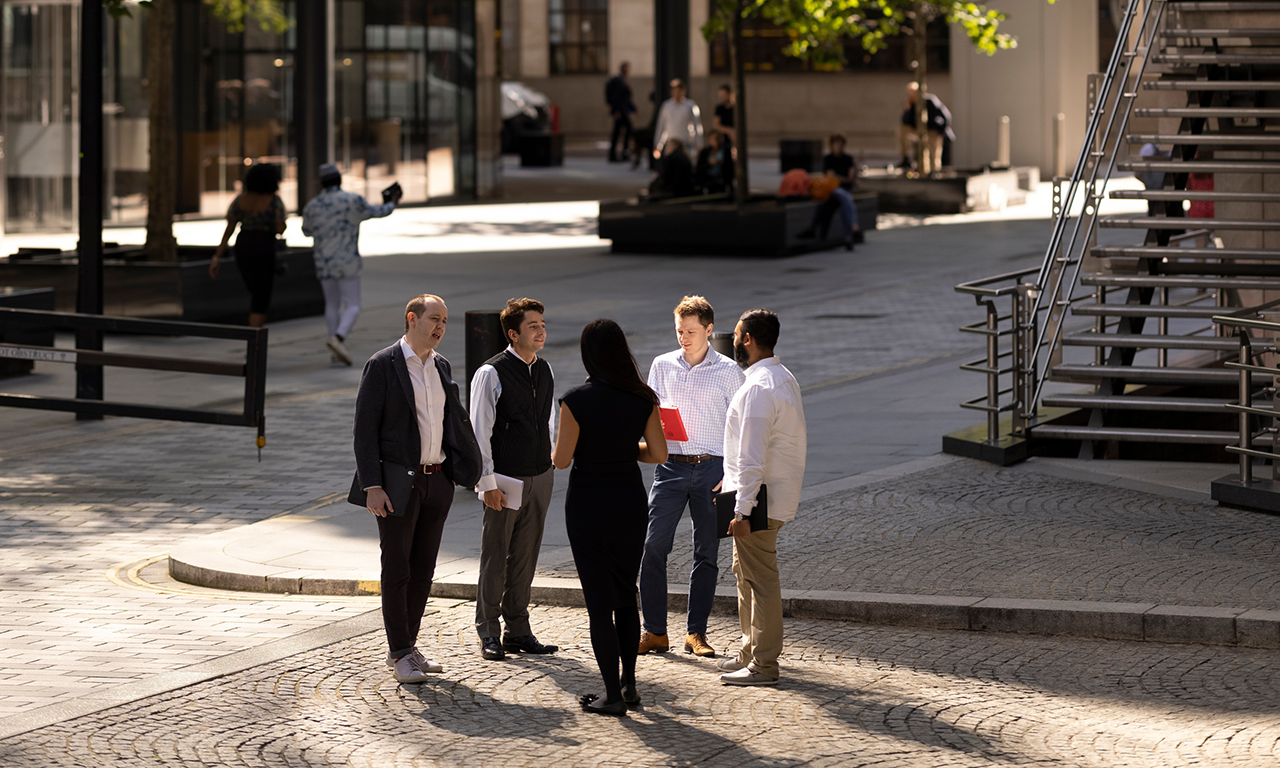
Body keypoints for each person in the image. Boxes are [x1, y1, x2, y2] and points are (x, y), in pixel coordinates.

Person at [352, 294, 482, 684]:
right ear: (412, 318)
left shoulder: (439, 365)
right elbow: (364, 430)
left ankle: (409, 645)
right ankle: (399, 653)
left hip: (436, 480)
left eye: (444, 321)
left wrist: (460, 472)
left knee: (424, 569)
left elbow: (451, 420)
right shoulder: (383, 364)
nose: (440, 327)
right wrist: (372, 486)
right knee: (397, 568)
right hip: (396, 485)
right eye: (434, 319)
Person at [553, 319, 668, 716]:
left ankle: (611, 696)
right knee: (625, 594)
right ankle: (630, 684)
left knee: (598, 605)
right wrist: (623, 449)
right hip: (628, 500)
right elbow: (658, 454)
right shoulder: (642, 397)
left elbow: (561, 460)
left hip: (588, 503)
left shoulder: (575, 400)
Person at [638, 296, 744, 659]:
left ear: (709, 330)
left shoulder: (730, 371)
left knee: (707, 553)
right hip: (670, 466)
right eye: (680, 331)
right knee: (653, 547)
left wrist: (731, 472)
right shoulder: (662, 365)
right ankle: (654, 631)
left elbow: (741, 428)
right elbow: (651, 414)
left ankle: (696, 632)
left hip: (713, 468)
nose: (684, 337)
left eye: (691, 331)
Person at [718, 309, 807, 687]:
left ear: (748, 339)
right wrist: (728, 483)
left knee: (760, 580)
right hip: (766, 495)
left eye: (737, 335)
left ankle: (764, 664)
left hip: (758, 501)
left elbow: (752, 456)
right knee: (745, 574)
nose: (734, 341)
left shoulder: (757, 387)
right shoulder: (781, 377)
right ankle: (749, 652)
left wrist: (741, 509)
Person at [470, 297, 559, 661]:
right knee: (496, 556)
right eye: (532, 326)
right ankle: (488, 631)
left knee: (525, 555)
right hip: (504, 479)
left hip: (540, 474)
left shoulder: (545, 369)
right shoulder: (490, 373)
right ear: (513, 333)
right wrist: (486, 483)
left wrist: (551, 461)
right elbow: (479, 431)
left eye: (542, 324)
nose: (540, 331)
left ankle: (518, 630)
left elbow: (549, 420)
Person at [302, 163, 401, 367]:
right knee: (353, 304)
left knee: (331, 304)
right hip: (347, 261)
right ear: (339, 179)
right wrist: (392, 202)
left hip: (323, 261)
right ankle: (338, 338)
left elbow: (306, 231)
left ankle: (334, 344)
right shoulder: (352, 201)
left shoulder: (312, 205)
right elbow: (379, 211)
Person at [209, 163, 286, 328]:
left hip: (243, 245)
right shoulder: (274, 201)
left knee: (255, 289)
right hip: (264, 246)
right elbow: (280, 228)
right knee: (262, 293)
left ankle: (255, 331)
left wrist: (217, 257)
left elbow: (228, 230)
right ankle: (255, 335)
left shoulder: (240, 200)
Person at [798, 135, 862, 250]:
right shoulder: (828, 159)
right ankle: (853, 227)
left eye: (840, 144)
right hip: (831, 191)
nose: (838, 146)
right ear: (832, 145)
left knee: (844, 200)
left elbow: (850, 179)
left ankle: (847, 238)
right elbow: (832, 178)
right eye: (836, 144)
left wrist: (838, 177)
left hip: (843, 190)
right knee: (845, 197)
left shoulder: (848, 159)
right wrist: (842, 178)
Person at [897, 82, 955, 175]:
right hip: (920, 132)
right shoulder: (912, 104)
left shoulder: (930, 101)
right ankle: (906, 158)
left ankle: (935, 171)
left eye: (913, 93)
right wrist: (907, 109)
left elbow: (946, 116)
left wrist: (941, 131)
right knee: (902, 130)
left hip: (933, 131)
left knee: (934, 155)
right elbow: (905, 122)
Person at [653, 79, 704, 161]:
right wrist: (658, 145)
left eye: (679, 91)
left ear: (683, 91)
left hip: (686, 143)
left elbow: (697, 126)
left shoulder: (690, 106)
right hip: (671, 143)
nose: (676, 94)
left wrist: (699, 145)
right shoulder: (666, 106)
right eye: (674, 91)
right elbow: (661, 126)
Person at [606, 62, 637, 163]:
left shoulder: (623, 80)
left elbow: (626, 97)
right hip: (620, 111)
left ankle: (620, 153)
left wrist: (633, 109)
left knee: (621, 131)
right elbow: (616, 97)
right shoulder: (617, 81)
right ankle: (616, 153)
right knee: (622, 131)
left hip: (623, 110)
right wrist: (616, 111)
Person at [695, 130, 734, 195]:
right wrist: (710, 164)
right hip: (708, 179)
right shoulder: (705, 152)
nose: (716, 141)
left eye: (718, 138)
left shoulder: (725, 151)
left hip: (721, 178)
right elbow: (699, 167)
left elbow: (729, 167)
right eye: (713, 138)